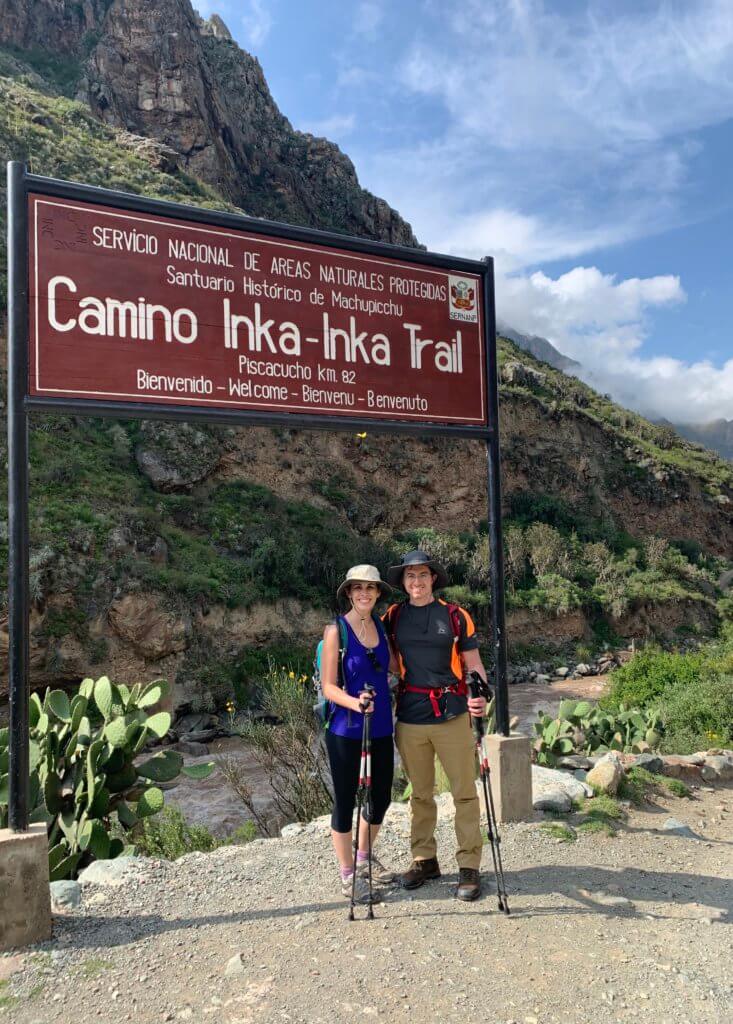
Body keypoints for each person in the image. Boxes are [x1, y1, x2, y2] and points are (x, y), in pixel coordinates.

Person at [383, 549, 489, 901]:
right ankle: (424, 858)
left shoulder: (456, 616)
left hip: (452, 713)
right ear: (403, 582)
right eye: (410, 576)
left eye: (422, 575)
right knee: (421, 794)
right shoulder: (393, 617)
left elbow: (473, 664)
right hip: (410, 716)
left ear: (433, 579)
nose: (416, 581)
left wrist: (480, 697)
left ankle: (469, 865)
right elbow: (381, 657)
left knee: (464, 792)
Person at [320, 564, 396, 901]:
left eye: (370, 588)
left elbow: (391, 669)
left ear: (378, 593)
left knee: (380, 797)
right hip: (345, 729)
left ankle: (364, 858)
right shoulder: (336, 631)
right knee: (346, 800)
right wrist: (355, 702)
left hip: (380, 726)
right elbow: (328, 687)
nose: (364, 593)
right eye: (357, 588)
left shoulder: (381, 625)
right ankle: (348, 875)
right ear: (349, 593)